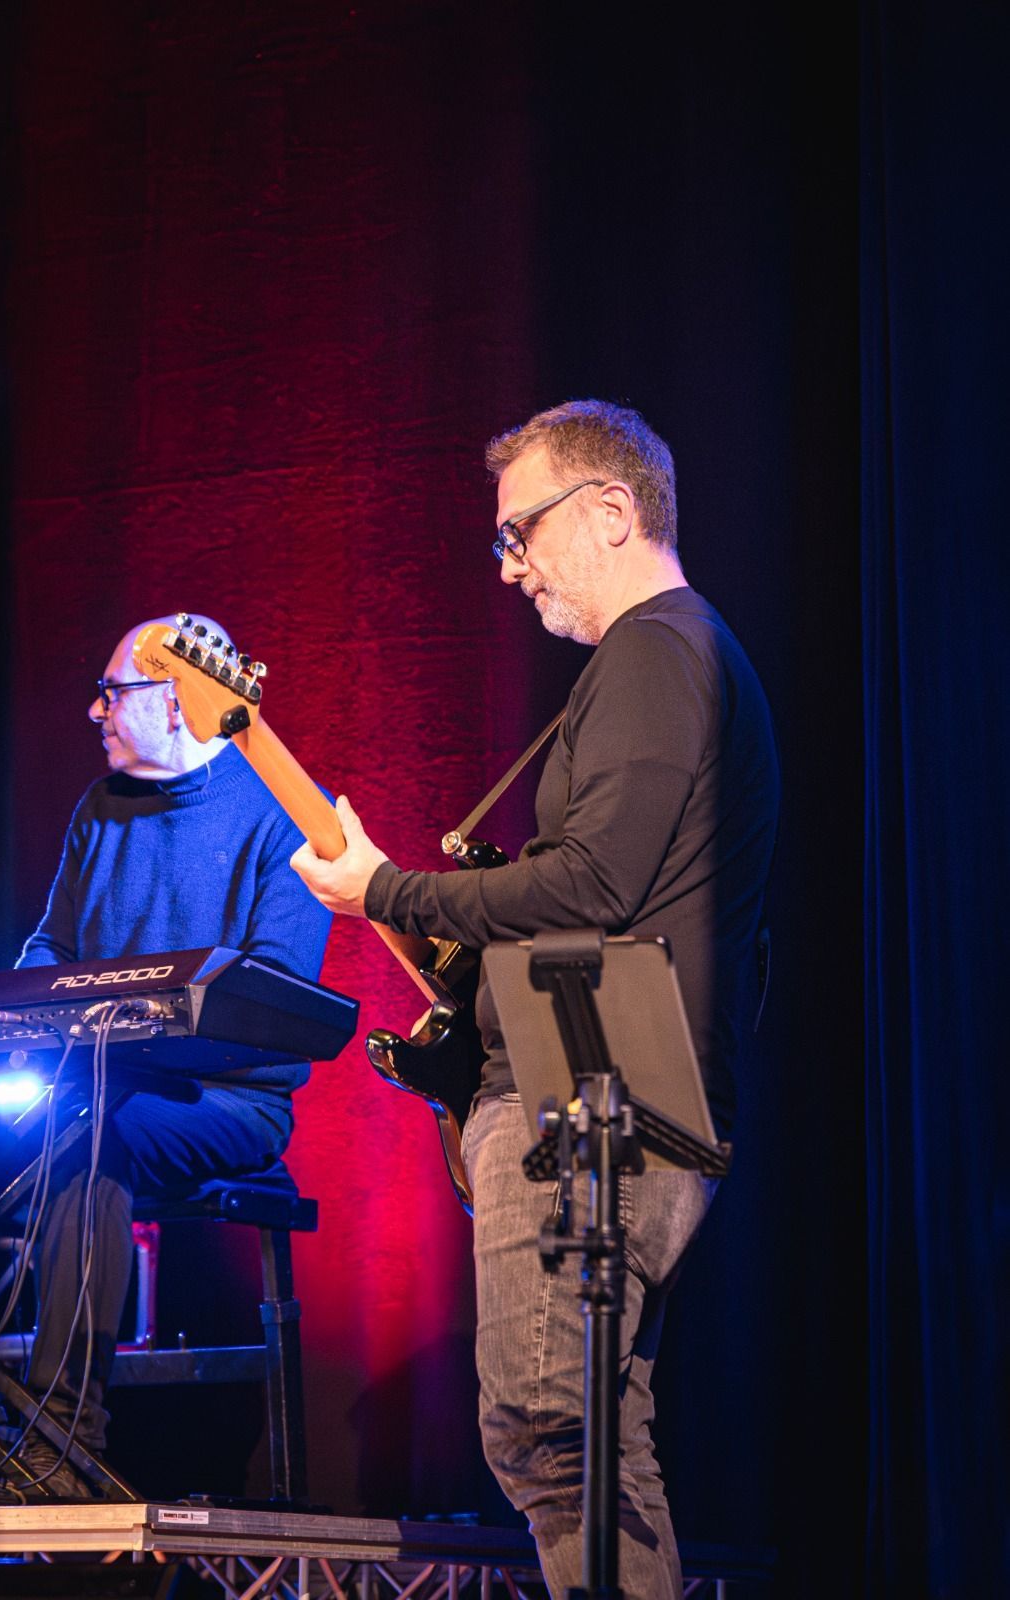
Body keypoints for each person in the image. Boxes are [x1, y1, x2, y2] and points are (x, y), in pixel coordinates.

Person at [291, 401, 780, 1600]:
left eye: (522, 531)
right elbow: (593, 890)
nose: (509, 566)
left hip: (594, 1093)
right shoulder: (665, 657)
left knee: (548, 1433)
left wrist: (385, 889)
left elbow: (599, 880)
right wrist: (407, 908)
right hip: (605, 1077)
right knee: (583, 1442)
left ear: (614, 512)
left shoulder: (659, 649)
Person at [0, 614, 331, 1500]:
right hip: (98, 1086)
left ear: (176, 701)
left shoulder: (282, 818)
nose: (95, 710)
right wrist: (28, 1014)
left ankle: (61, 1442)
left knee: (94, 1136)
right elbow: (50, 950)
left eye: (114, 693)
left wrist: (135, 1027)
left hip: (225, 1101)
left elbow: (278, 1009)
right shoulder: (99, 810)